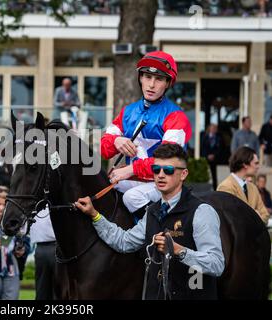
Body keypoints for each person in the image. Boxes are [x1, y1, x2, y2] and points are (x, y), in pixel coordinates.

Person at [75, 144, 225, 300]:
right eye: (156, 169)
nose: (160, 175)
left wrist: (178, 250)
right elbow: (124, 242)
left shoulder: (201, 211)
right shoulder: (152, 211)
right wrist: (95, 215)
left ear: (183, 174)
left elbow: (216, 264)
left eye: (168, 170)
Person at [101, 51, 192, 220]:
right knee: (101, 190)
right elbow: (104, 150)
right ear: (140, 78)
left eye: (158, 79)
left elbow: (166, 163)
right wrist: (116, 141)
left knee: (132, 197)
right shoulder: (127, 112)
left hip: (164, 183)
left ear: (167, 83)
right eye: (147, 77)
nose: (151, 84)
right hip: (133, 180)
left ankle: (158, 238)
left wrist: (130, 170)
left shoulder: (176, 117)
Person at [217, 146, 270, 224]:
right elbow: (230, 218)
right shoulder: (225, 187)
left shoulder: (253, 187)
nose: (258, 166)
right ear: (245, 164)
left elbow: (265, 215)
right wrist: (255, 215)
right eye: (256, 163)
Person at [29, 207, 57, 300]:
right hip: (40, 248)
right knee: (42, 287)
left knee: (58, 286)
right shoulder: (32, 207)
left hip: (58, 246)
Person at [200, 124, 222, 190]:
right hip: (206, 158)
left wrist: (214, 155)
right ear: (209, 129)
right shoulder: (204, 137)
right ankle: (204, 188)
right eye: (212, 128)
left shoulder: (218, 138)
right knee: (205, 173)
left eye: (215, 128)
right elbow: (202, 148)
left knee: (214, 175)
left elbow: (220, 149)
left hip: (214, 159)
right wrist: (207, 156)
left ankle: (215, 188)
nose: (214, 129)